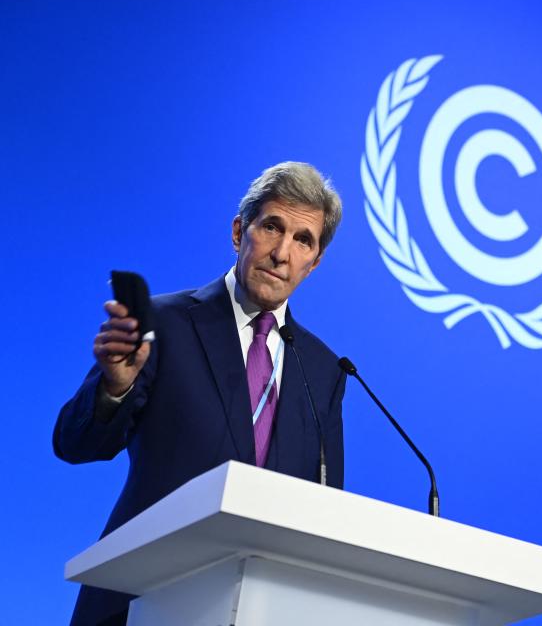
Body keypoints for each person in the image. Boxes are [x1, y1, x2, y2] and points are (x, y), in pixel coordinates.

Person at [54, 162, 347, 626]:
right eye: (272, 227)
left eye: (303, 240)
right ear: (239, 231)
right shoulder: (164, 322)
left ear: (315, 261)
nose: (282, 253)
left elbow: (323, 510)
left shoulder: (325, 370)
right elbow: (76, 444)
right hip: (139, 600)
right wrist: (116, 385)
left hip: (255, 608)